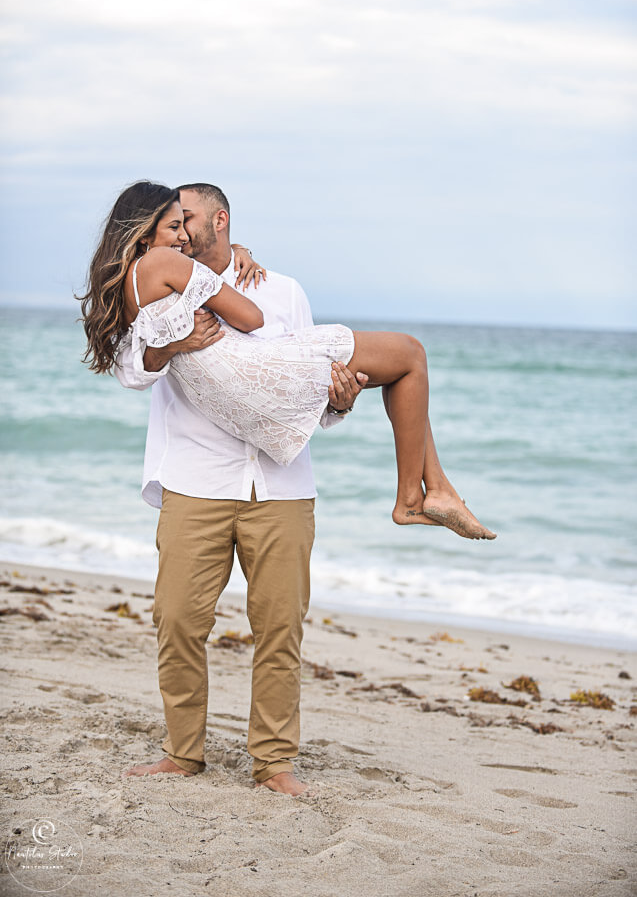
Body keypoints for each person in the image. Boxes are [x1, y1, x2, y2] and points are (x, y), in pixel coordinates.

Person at [81, 180, 495, 795]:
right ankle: (182, 753)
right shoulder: (165, 279)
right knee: (177, 621)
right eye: (173, 221)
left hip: (281, 483)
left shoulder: (283, 291)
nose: (182, 230)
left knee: (280, 627)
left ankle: (274, 764)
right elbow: (129, 370)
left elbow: (299, 394)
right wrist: (173, 343)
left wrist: (341, 400)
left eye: (188, 219)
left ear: (217, 221)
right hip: (197, 478)